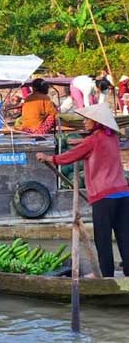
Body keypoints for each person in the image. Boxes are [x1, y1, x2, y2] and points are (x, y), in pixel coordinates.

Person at [36, 103, 129, 278]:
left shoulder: (93, 141)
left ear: (97, 122)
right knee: (125, 237)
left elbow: (69, 157)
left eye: (88, 119)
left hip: (104, 195)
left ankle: (107, 276)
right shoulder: (112, 137)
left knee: (103, 238)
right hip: (123, 193)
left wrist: (48, 157)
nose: (85, 122)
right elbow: (92, 145)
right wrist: (81, 142)